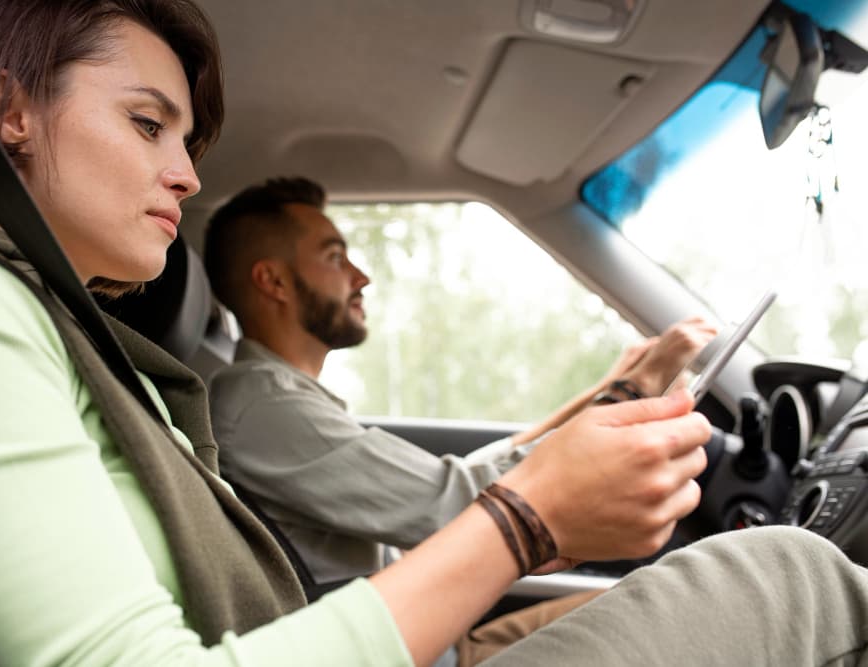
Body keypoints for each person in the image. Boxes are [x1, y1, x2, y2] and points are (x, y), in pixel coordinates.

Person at [0, 2, 868, 667]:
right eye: (147, 124)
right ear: (5, 112)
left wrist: (575, 448)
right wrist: (526, 518)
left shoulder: (69, 337)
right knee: (786, 572)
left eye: (187, 141)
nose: (186, 175)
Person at [204, 176, 717, 587]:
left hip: (434, 638)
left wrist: (610, 387)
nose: (361, 277)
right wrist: (636, 389)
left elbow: (458, 479)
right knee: (701, 595)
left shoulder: (279, 397)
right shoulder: (265, 406)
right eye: (335, 258)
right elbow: (461, 503)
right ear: (272, 281)